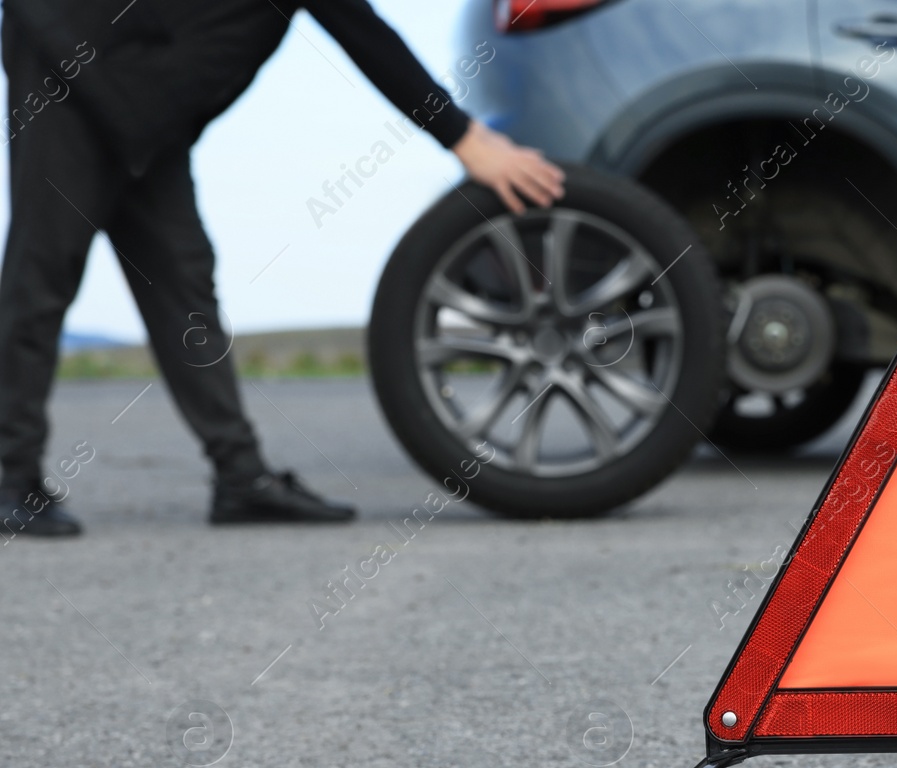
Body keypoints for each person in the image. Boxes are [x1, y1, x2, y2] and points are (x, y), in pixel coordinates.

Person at [0, 0, 565, 536]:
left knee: (183, 281)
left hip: (145, 107)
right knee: (42, 272)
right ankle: (9, 477)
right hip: (71, 65)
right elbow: (362, 32)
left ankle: (240, 477)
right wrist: (465, 139)